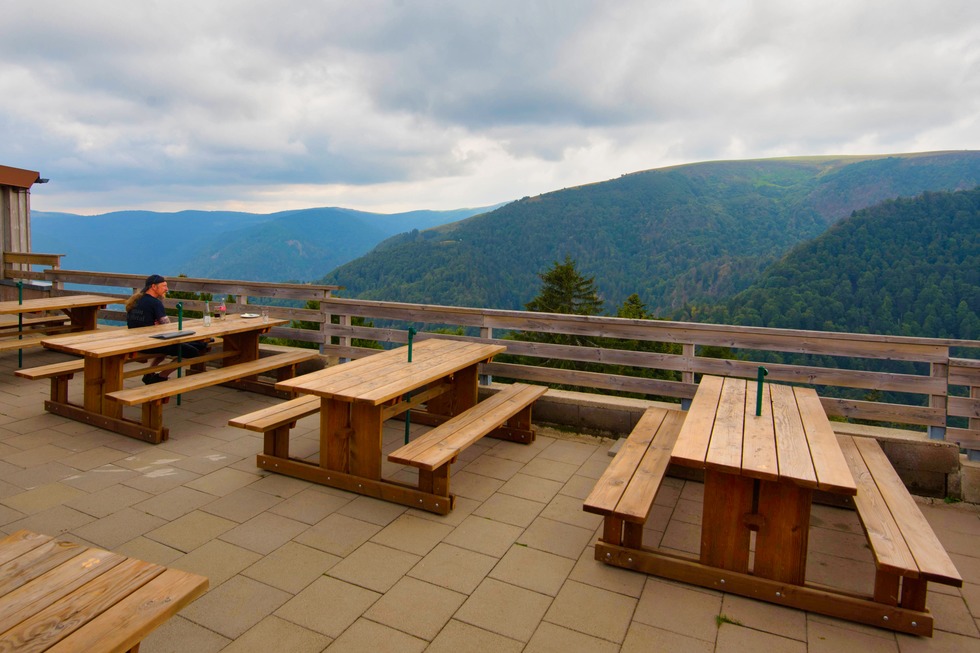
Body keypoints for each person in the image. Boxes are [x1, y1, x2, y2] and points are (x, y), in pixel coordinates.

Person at [125, 274, 208, 384]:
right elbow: (167, 325)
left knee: (188, 345)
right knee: (192, 351)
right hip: (151, 343)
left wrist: (156, 326)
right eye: (164, 286)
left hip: (136, 341)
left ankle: (149, 373)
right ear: (154, 287)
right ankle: (161, 376)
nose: (167, 289)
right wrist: (159, 326)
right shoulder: (155, 303)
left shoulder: (136, 300)